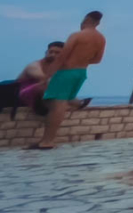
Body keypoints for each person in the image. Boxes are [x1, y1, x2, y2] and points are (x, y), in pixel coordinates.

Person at [32, 11, 105, 149]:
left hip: (66, 72)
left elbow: (62, 57)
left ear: (86, 19)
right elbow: (97, 60)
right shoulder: (101, 39)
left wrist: (48, 75)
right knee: (54, 100)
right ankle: (77, 104)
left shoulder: (77, 35)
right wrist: (82, 61)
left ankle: (47, 141)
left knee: (57, 106)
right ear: (98, 23)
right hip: (81, 72)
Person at [16, 42, 66, 114]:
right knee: (45, 84)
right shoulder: (34, 65)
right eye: (50, 52)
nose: (52, 54)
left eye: (57, 53)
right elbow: (43, 78)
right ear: (46, 52)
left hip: (42, 96)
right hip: (21, 95)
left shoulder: (60, 68)